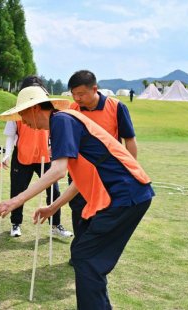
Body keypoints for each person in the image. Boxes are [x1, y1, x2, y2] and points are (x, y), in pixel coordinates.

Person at [0, 85, 154, 310]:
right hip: (127, 197)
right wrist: (53, 207)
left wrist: (15, 201)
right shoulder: (65, 121)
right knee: (88, 258)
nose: (22, 120)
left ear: (37, 109)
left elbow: (57, 171)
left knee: (86, 257)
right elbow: (81, 178)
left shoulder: (61, 121)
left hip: (125, 195)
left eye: (23, 113)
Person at [0, 75, 72, 238]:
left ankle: (55, 225)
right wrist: (6, 155)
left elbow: (56, 135)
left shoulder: (54, 116)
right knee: (18, 190)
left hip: (45, 156)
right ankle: (15, 223)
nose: (25, 121)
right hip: (23, 156)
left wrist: (54, 148)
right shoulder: (19, 113)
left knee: (54, 191)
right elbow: (10, 135)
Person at [67, 70, 138, 241]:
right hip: (80, 171)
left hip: (107, 172)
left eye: (81, 94)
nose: (77, 98)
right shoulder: (73, 109)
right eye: (74, 94)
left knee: (103, 213)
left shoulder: (116, 107)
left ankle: (95, 251)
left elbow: (129, 140)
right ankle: (80, 251)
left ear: (94, 89)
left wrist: (130, 169)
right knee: (79, 210)